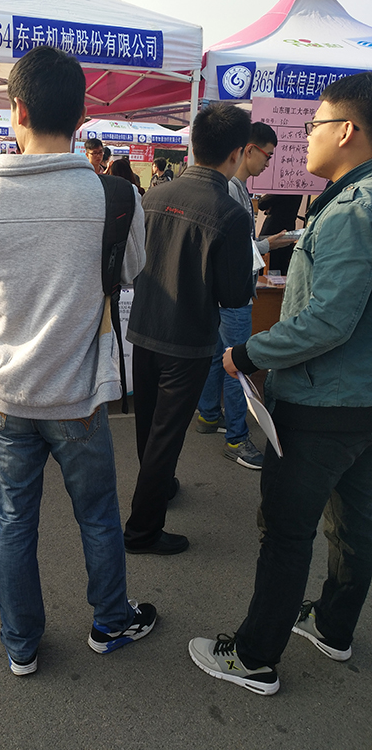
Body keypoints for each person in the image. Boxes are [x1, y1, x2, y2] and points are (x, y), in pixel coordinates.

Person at [0, 45, 155, 676]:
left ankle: (21, 646)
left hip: (7, 393)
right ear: (82, 116)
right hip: (79, 395)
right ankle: (110, 622)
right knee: (97, 515)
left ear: (17, 109)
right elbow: (130, 271)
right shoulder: (115, 195)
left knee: (15, 520)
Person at [189, 71, 372, 696]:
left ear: (346, 131)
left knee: (287, 533)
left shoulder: (351, 210)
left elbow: (328, 320)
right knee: (356, 525)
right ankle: (333, 626)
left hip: (321, 403)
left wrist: (248, 352)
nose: (306, 135)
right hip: (361, 404)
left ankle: (254, 656)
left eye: (316, 123)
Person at [123, 103, 254, 555]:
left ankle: (158, 488)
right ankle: (142, 530)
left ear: (195, 144)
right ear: (237, 153)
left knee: (149, 425)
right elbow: (234, 295)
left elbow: (134, 262)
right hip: (188, 338)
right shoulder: (231, 214)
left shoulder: (153, 196)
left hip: (145, 326)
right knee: (167, 434)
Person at [196, 122, 295, 470]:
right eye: (267, 155)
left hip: (219, 292)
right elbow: (235, 250)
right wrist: (267, 245)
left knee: (216, 356)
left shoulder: (229, 187)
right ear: (248, 150)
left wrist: (267, 243)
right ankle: (237, 438)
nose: (269, 163)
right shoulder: (231, 190)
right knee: (238, 363)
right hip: (234, 293)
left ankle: (209, 415)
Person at [258, 193, 303, 275]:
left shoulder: (282, 189)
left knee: (268, 266)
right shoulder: (298, 190)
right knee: (281, 266)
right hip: (289, 229)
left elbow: (262, 204)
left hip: (272, 230)